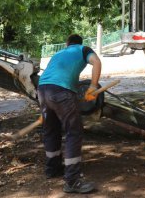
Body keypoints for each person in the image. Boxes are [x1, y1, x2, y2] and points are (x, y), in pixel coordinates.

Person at [36, 34, 103, 193]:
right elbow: (97, 62)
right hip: (61, 91)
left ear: (67, 44)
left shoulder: (58, 54)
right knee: (74, 132)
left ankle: (52, 168)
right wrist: (93, 87)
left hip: (42, 89)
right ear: (79, 43)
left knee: (51, 129)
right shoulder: (83, 49)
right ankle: (72, 180)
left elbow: (56, 76)